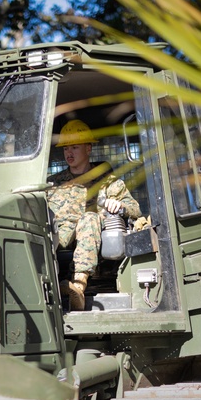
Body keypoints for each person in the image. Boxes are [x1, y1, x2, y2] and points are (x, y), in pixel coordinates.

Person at [47, 119, 141, 310]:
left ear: (88, 149)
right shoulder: (53, 184)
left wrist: (119, 205)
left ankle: (78, 285)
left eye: (74, 147)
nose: (69, 153)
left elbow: (136, 210)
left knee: (89, 217)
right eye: (65, 149)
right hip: (60, 237)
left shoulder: (107, 182)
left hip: (92, 238)